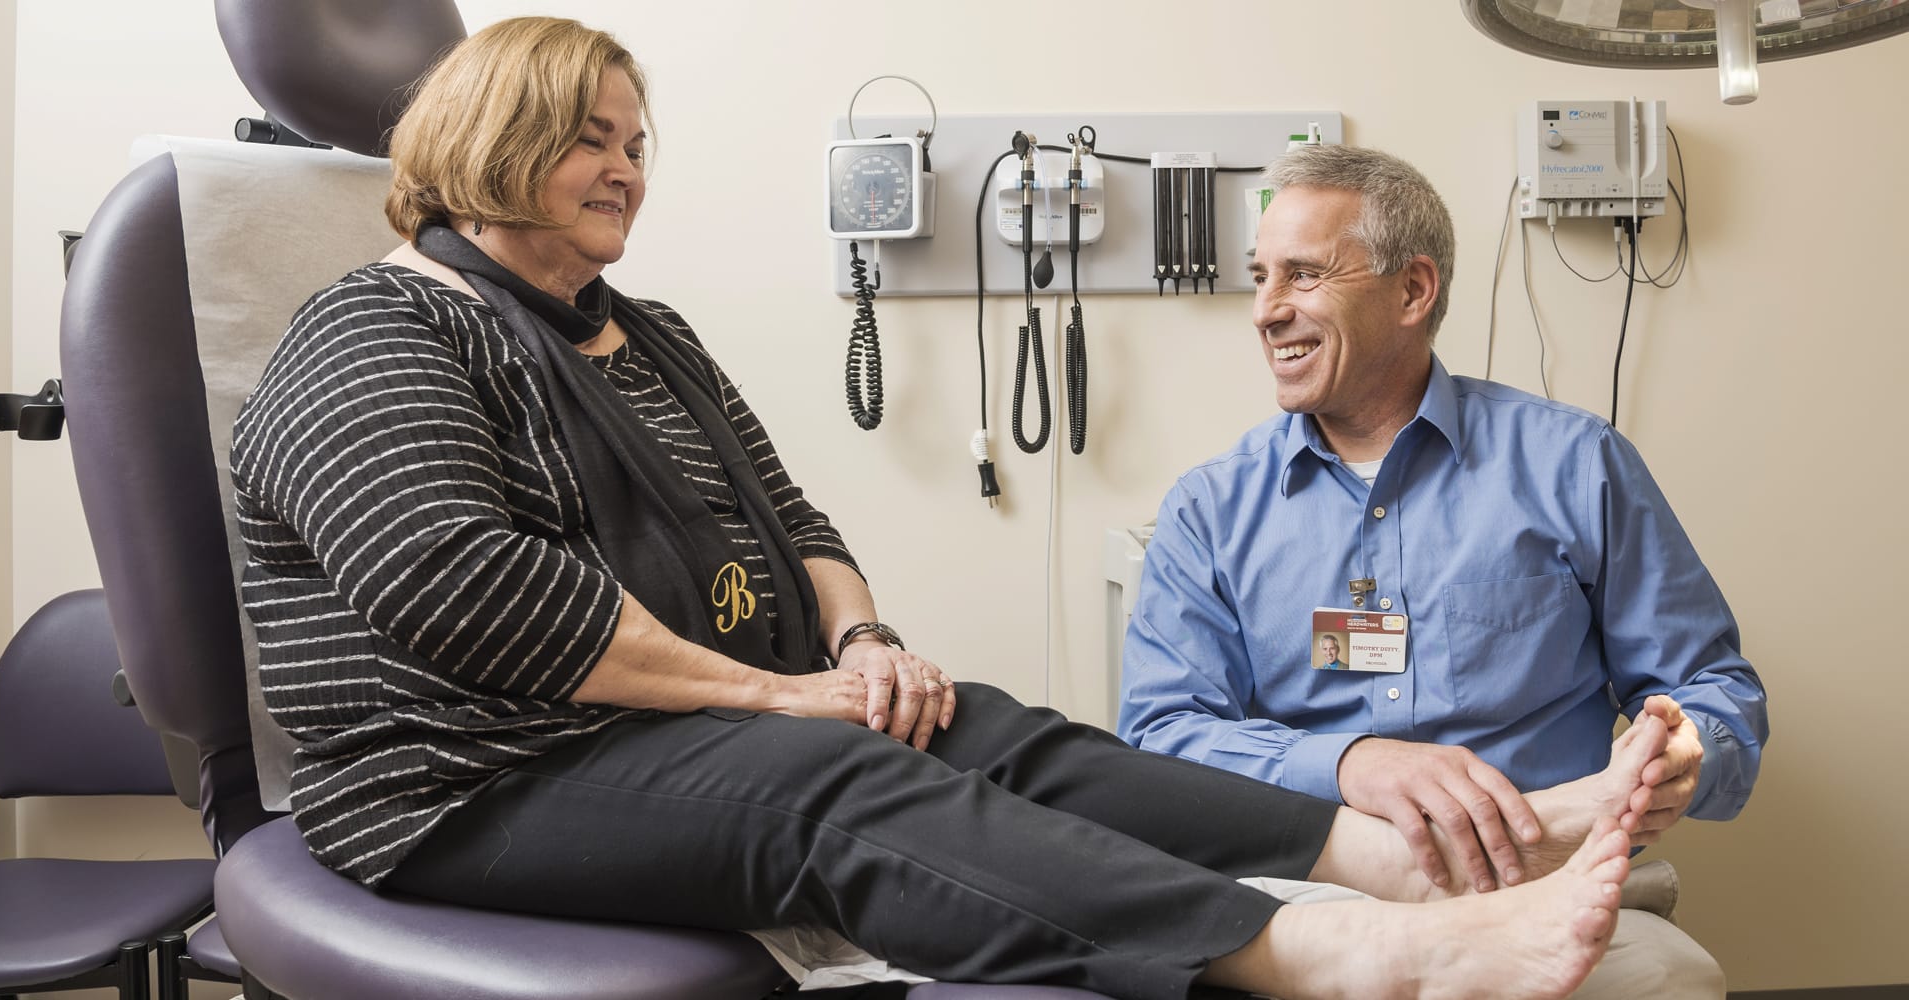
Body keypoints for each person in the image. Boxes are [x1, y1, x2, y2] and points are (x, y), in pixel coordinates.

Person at [232, 18, 1652, 1000]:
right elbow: (464, 588)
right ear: (492, 136)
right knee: (833, 781)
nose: (629, 168)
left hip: (664, 728)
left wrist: (858, 655)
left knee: (966, 722)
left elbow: (790, 518)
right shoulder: (375, 327)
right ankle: (1321, 959)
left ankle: (1387, 865)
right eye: (592, 139)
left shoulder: (641, 333)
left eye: (638, 140)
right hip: (470, 787)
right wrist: (785, 707)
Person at [1119, 144, 1769, 996]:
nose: (1266, 310)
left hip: (1545, 886)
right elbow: (1160, 738)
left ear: (1413, 292)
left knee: (1672, 983)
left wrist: (1681, 752)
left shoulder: (1575, 465)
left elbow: (1714, 687)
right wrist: (1349, 764)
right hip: (1310, 894)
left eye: (1303, 275)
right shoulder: (1210, 511)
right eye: (1261, 277)